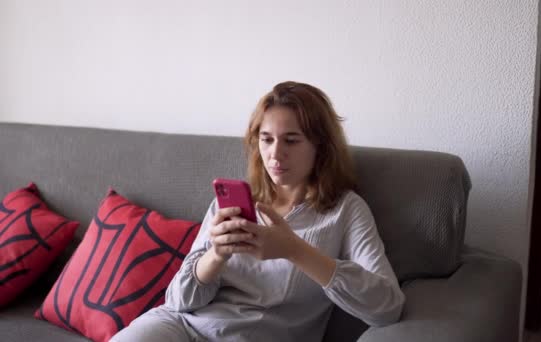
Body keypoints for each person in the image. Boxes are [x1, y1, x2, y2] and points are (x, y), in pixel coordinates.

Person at [110, 81, 405, 342]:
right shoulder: (235, 201)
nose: (275, 154)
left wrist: (294, 250)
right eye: (267, 139)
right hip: (180, 327)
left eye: (291, 140)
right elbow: (177, 301)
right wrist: (217, 254)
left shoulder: (345, 211)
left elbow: (387, 307)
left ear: (321, 147)